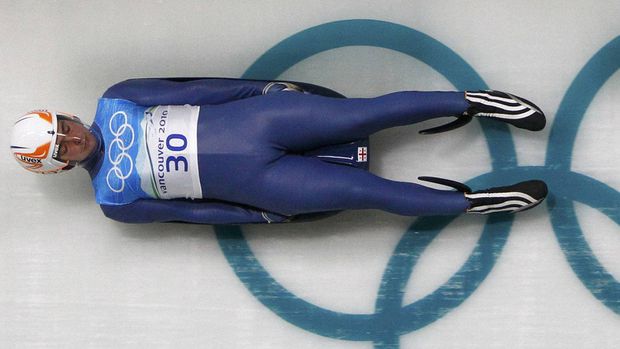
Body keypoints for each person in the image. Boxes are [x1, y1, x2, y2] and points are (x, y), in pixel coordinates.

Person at [10, 78, 548, 224]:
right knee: (369, 194)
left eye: (65, 126)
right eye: (64, 146)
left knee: (366, 112)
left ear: (68, 115)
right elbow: (193, 216)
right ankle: (476, 203)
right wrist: (260, 216)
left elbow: (197, 90)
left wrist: (261, 90)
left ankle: (476, 102)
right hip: (262, 186)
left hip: (256, 120)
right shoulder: (114, 201)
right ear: (60, 166)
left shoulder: (118, 97)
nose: (76, 138)